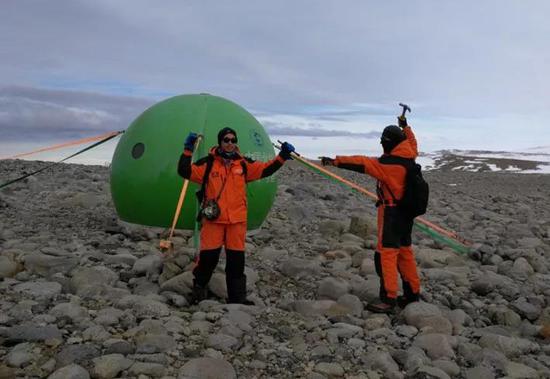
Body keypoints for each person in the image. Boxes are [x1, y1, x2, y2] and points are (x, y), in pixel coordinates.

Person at [178, 127, 294, 305]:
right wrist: (188, 149)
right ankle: (198, 292)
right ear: (220, 142)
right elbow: (184, 171)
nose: (230, 143)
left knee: (236, 262)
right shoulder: (208, 164)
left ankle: (237, 299)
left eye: (233, 140)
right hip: (214, 221)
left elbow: (265, 170)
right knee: (208, 260)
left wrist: (283, 156)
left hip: (236, 222)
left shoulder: (243, 164)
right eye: (226, 140)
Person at [319, 116, 421, 313]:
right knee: (405, 252)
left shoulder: (388, 164)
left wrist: (335, 161)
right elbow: (413, 142)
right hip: (406, 214)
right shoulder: (410, 155)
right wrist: (406, 126)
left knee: (386, 255)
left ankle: (388, 299)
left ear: (387, 143)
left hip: (391, 213)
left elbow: (362, 163)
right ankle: (412, 294)